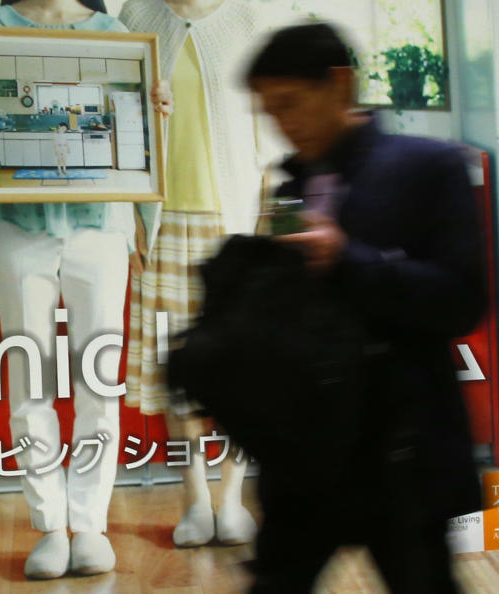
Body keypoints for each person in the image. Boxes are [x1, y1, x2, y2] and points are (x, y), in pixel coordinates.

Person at [244, 22, 484, 593]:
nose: (283, 123)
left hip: (403, 451)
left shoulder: (430, 167)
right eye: (270, 111)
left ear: (339, 84)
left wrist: (347, 259)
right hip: (309, 457)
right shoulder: (290, 186)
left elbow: (460, 302)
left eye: (291, 104)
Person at [0, 0, 172, 579]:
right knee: (29, 385)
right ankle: (49, 525)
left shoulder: (115, 35)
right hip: (17, 228)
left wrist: (157, 116)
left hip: (102, 226)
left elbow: (139, 149)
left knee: (100, 379)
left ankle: (89, 523)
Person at [119, 0, 281, 548]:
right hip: (160, 226)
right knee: (176, 375)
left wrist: (271, 231)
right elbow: (113, 130)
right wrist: (130, 221)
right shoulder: (136, 17)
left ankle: (232, 498)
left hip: (235, 225)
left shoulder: (250, 21)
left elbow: (274, 136)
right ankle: (194, 500)